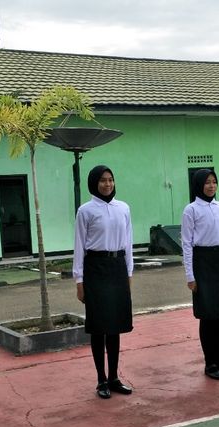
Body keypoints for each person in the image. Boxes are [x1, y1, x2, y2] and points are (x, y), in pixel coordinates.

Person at [73, 165, 134, 399]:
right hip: (95, 270)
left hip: (117, 268)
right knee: (99, 328)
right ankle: (101, 380)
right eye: (102, 181)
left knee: (115, 327)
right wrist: (79, 280)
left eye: (111, 180)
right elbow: (79, 246)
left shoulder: (123, 208)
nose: (107, 184)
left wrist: (129, 273)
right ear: (94, 183)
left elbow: (128, 243)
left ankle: (114, 377)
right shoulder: (86, 211)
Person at [181, 169, 219, 380]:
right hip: (203, 263)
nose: (211, 186)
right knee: (208, 316)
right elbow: (187, 244)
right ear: (198, 185)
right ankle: (209, 363)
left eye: (214, 182)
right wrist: (190, 275)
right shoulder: (191, 210)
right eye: (207, 182)